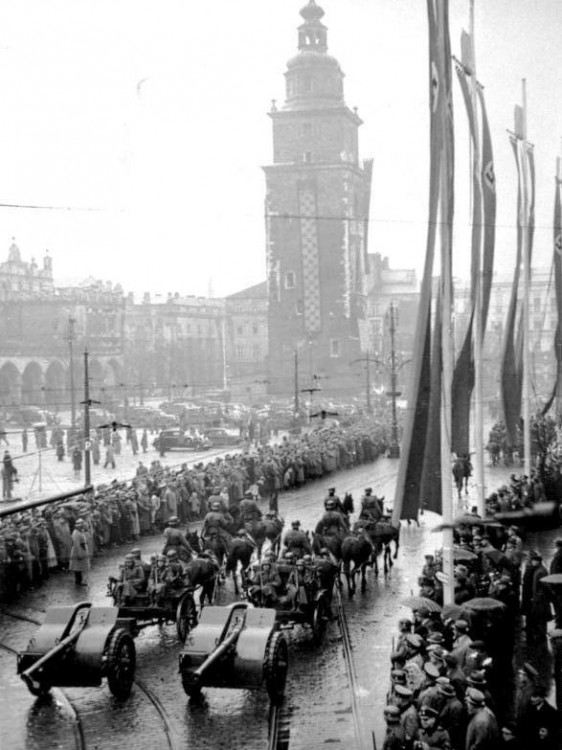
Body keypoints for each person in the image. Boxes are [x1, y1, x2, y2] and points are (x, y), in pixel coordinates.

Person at [69, 518, 90, 586]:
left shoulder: (80, 532)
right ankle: (79, 581)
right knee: (77, 567)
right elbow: (76, 545)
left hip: (82, 549)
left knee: (79, 566)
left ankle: (80, 580)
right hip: (78, 550)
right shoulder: (76, 533)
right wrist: (79, 554)